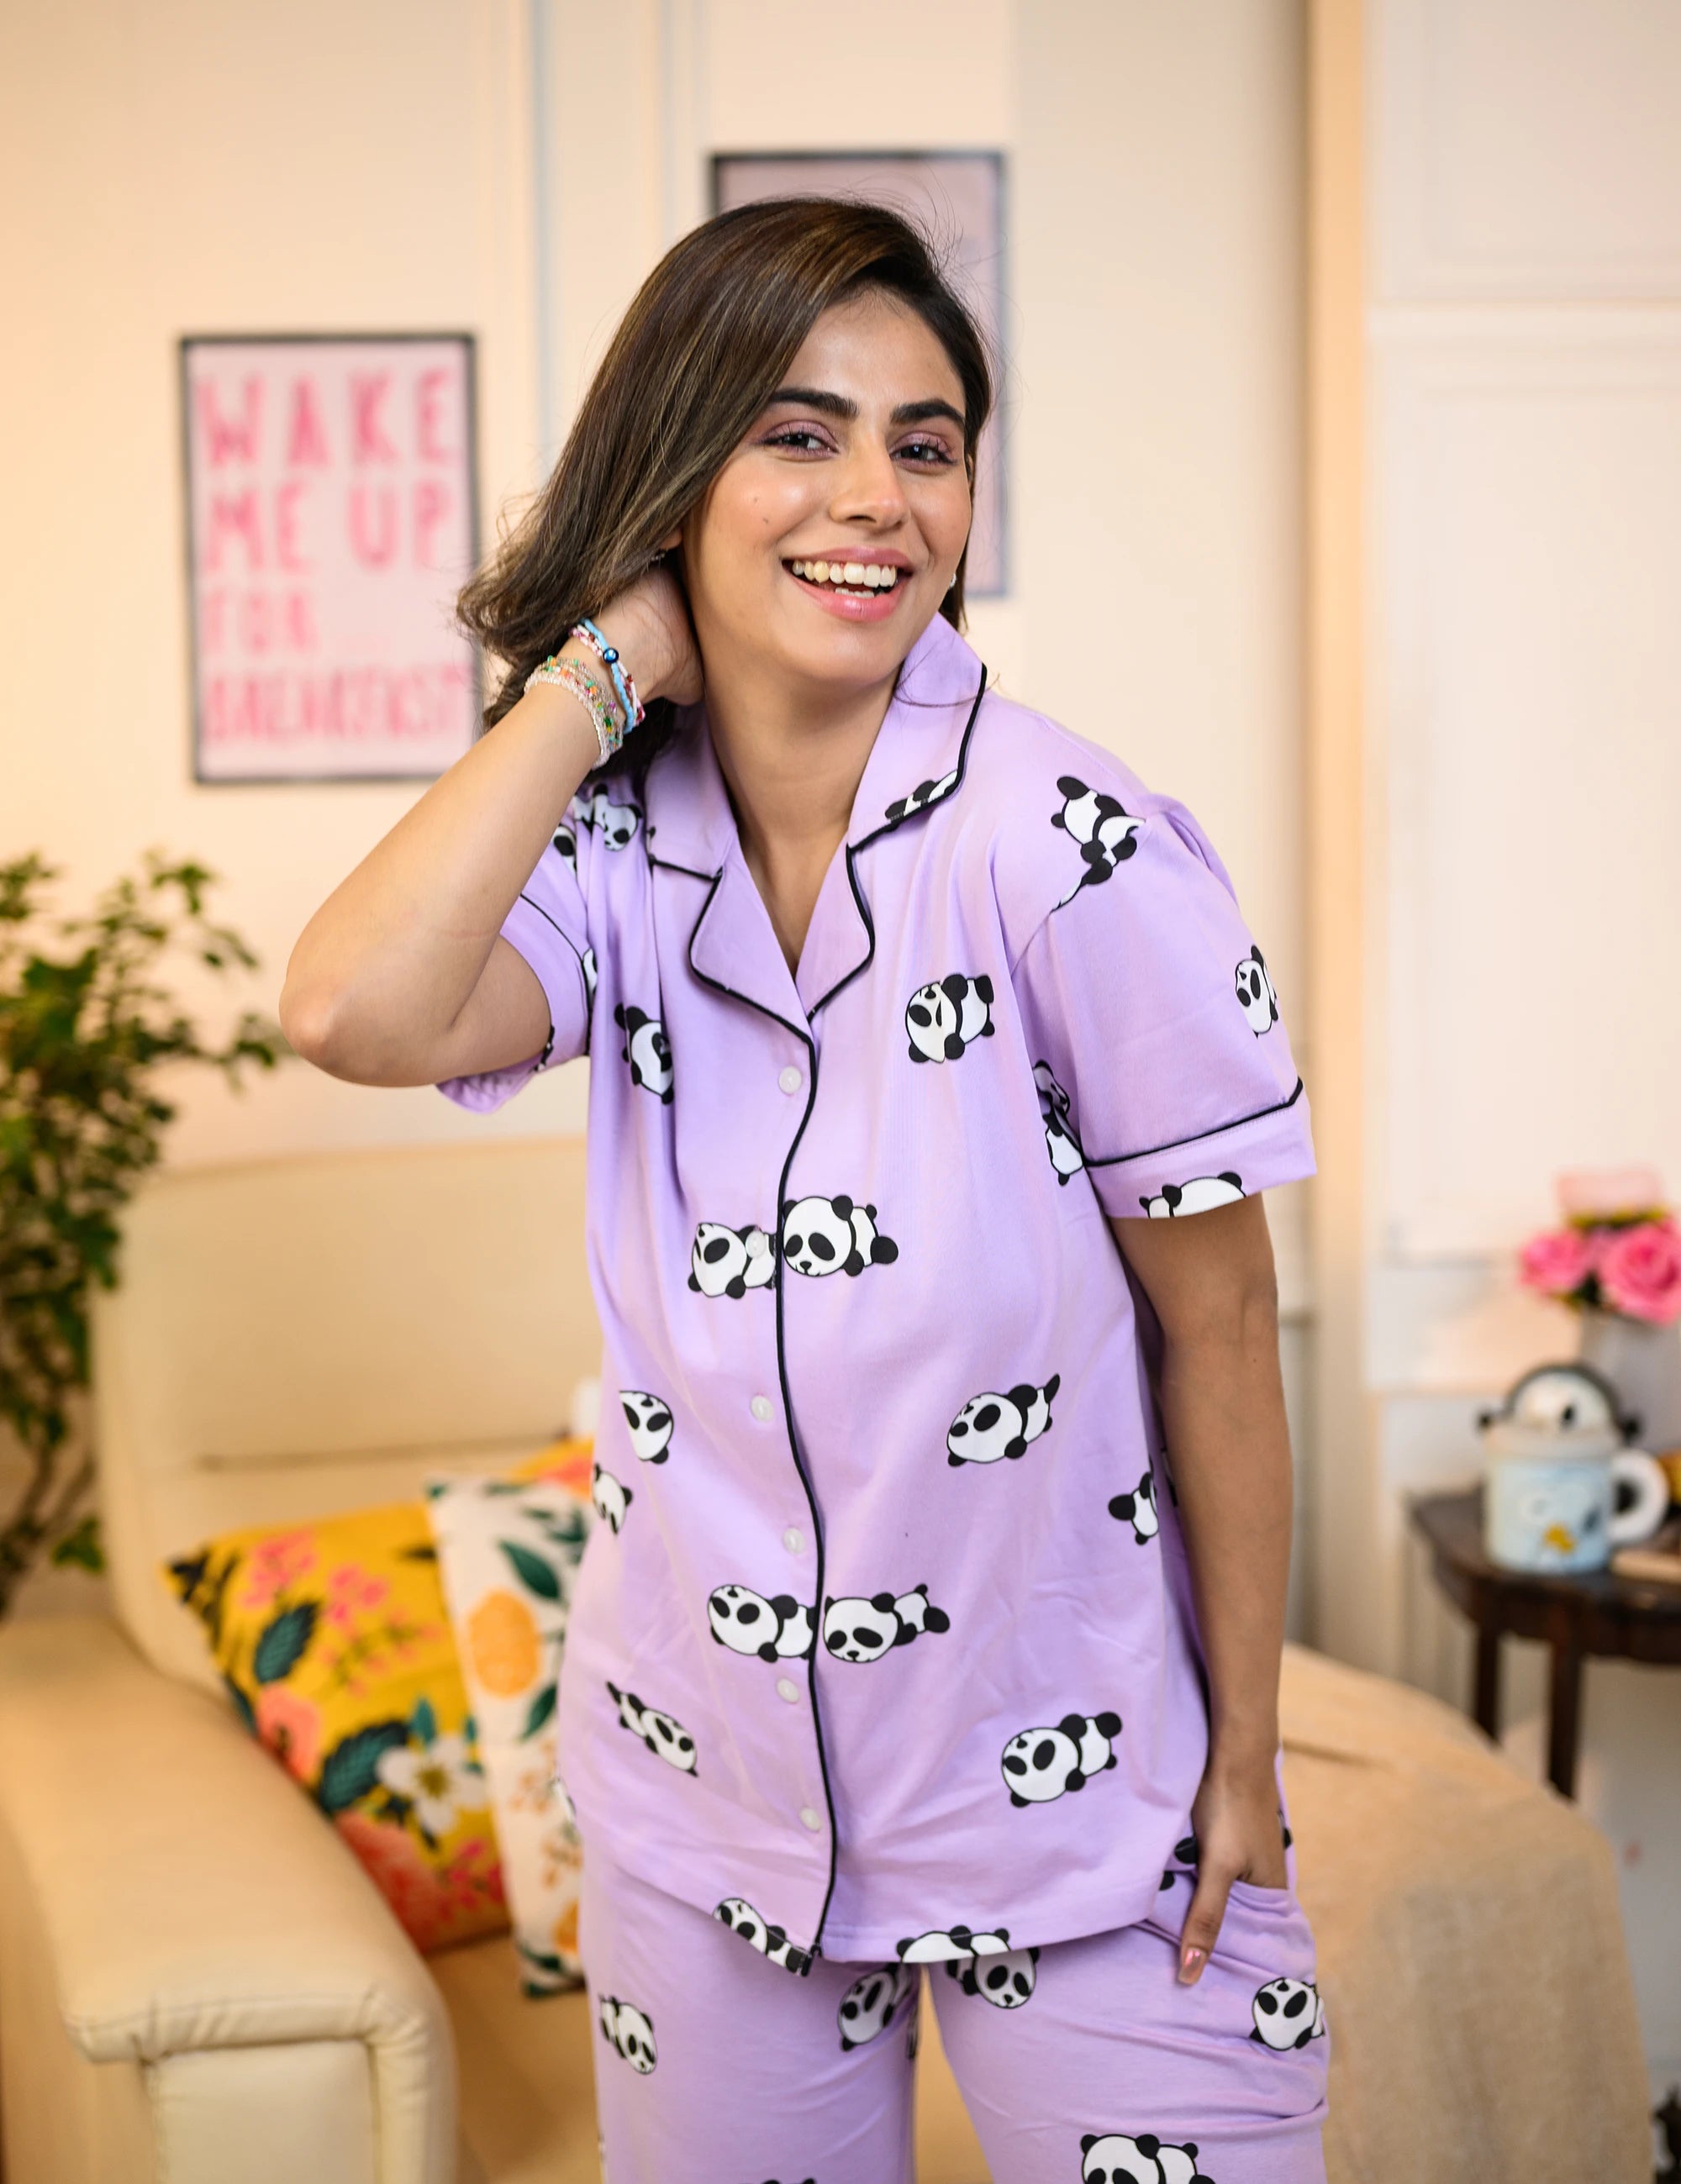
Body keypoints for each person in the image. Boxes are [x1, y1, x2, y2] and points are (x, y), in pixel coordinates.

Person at [282, 197, 1330, 2184]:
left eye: (923, 442)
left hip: (1080, 1806)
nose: (877, 496)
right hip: (703, 1821)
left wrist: (1249, 1760)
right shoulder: (611, 861)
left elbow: (1219, 1322)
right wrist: (602, 670)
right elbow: (348, 1003)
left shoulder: (1067, 849)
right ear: (676, 472)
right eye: (795, 431)